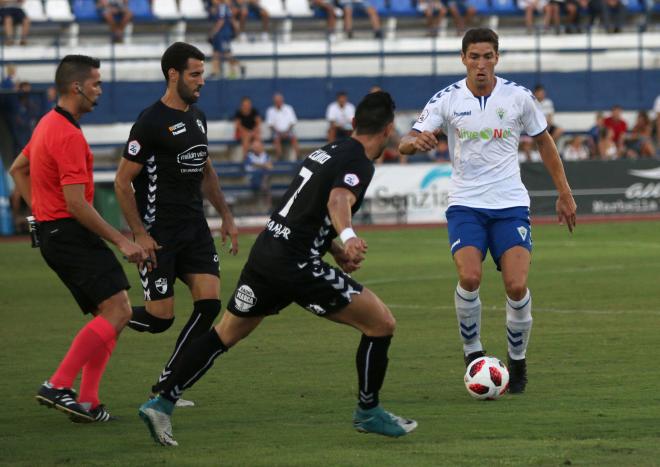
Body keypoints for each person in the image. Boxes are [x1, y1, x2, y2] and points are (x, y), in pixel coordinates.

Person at [138, 91, 417, 446]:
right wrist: (347, 236)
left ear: (353, 123)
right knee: (381, 324)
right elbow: (337, 200)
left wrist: (333, 247)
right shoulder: (359, 161)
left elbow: (302, 209)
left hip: (268, 252)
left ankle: (161, 402)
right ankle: (368, 412)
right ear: (389, 129)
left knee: (224, 334)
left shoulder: (326, 151)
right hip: (295, 264)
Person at [399, 28, 576, 394]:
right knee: (470, 278)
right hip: (466, 204)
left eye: (487, 56)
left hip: (510, 204)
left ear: (497, 58)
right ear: (463, 59)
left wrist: (564, 192)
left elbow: (544, 143)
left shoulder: (519, 98)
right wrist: (417, 142)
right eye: (474, 57)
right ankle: (472, 353)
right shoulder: (447, 100)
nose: (481, 64)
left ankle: (518, 361)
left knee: (516, 285)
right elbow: (404, 142)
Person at [8, 55, 147, 423]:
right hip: (69, 233)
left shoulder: (46, 124)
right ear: (77, 87)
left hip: (57, 232)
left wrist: (39, 211)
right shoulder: (67, 134)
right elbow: (76, 203)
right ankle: (58, 385)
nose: (100, 89)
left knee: (113, 310)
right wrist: (122, 240)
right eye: (96, 83)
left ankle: (87, 402)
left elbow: (17, 169)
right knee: (119, 310)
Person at [114, 42, 239, 408]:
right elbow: (123, 182)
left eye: (203, 73)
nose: (202, 81)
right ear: (173, 75)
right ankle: (109, 316)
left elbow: (205, 168)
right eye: (195, 74)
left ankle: (168, 384)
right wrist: (139, 234)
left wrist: (226, 215)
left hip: (194, 229)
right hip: (160, 235)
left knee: (210, 305)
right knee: (159, 319)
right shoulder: (150, 121)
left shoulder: (197, 116)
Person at [208, 0, 244, 79]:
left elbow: (221, 21)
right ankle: (215, 72)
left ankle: (237, 68)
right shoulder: (223, 7)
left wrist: (213, 32)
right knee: (216, 53)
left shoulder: (222, 7)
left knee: (226, 53)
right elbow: (232, 19)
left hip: (222, 34)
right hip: (222, 34)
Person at [265, 92, 300, 160]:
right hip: (276, 132)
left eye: (279, 100)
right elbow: (270, 125)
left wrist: (286, 132)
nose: (278, 102)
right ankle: (280, 157)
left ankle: (298, 156)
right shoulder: (270, 110)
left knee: (294, 137)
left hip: (288, 130)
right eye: (276, 101)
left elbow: (292, 122)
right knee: (276, 138)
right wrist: (279, 132)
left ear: (282, 100)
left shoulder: (289, 108)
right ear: (274, 101)